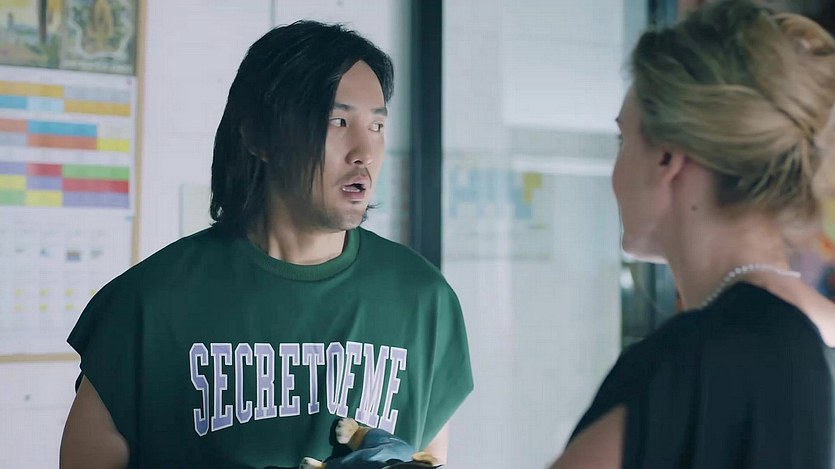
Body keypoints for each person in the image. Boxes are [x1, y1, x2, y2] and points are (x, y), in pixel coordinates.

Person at [59, 21, 473, 469]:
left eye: (376, 125)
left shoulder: (423, 301)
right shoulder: (149, 304)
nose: (365, 152)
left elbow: (430, 457)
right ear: (258, 136)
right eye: (337, 121)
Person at [551, 1, 835, 468]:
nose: (615, 170)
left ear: (667, 158)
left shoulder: (684, 363)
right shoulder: (804, 339)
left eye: (624, 140)